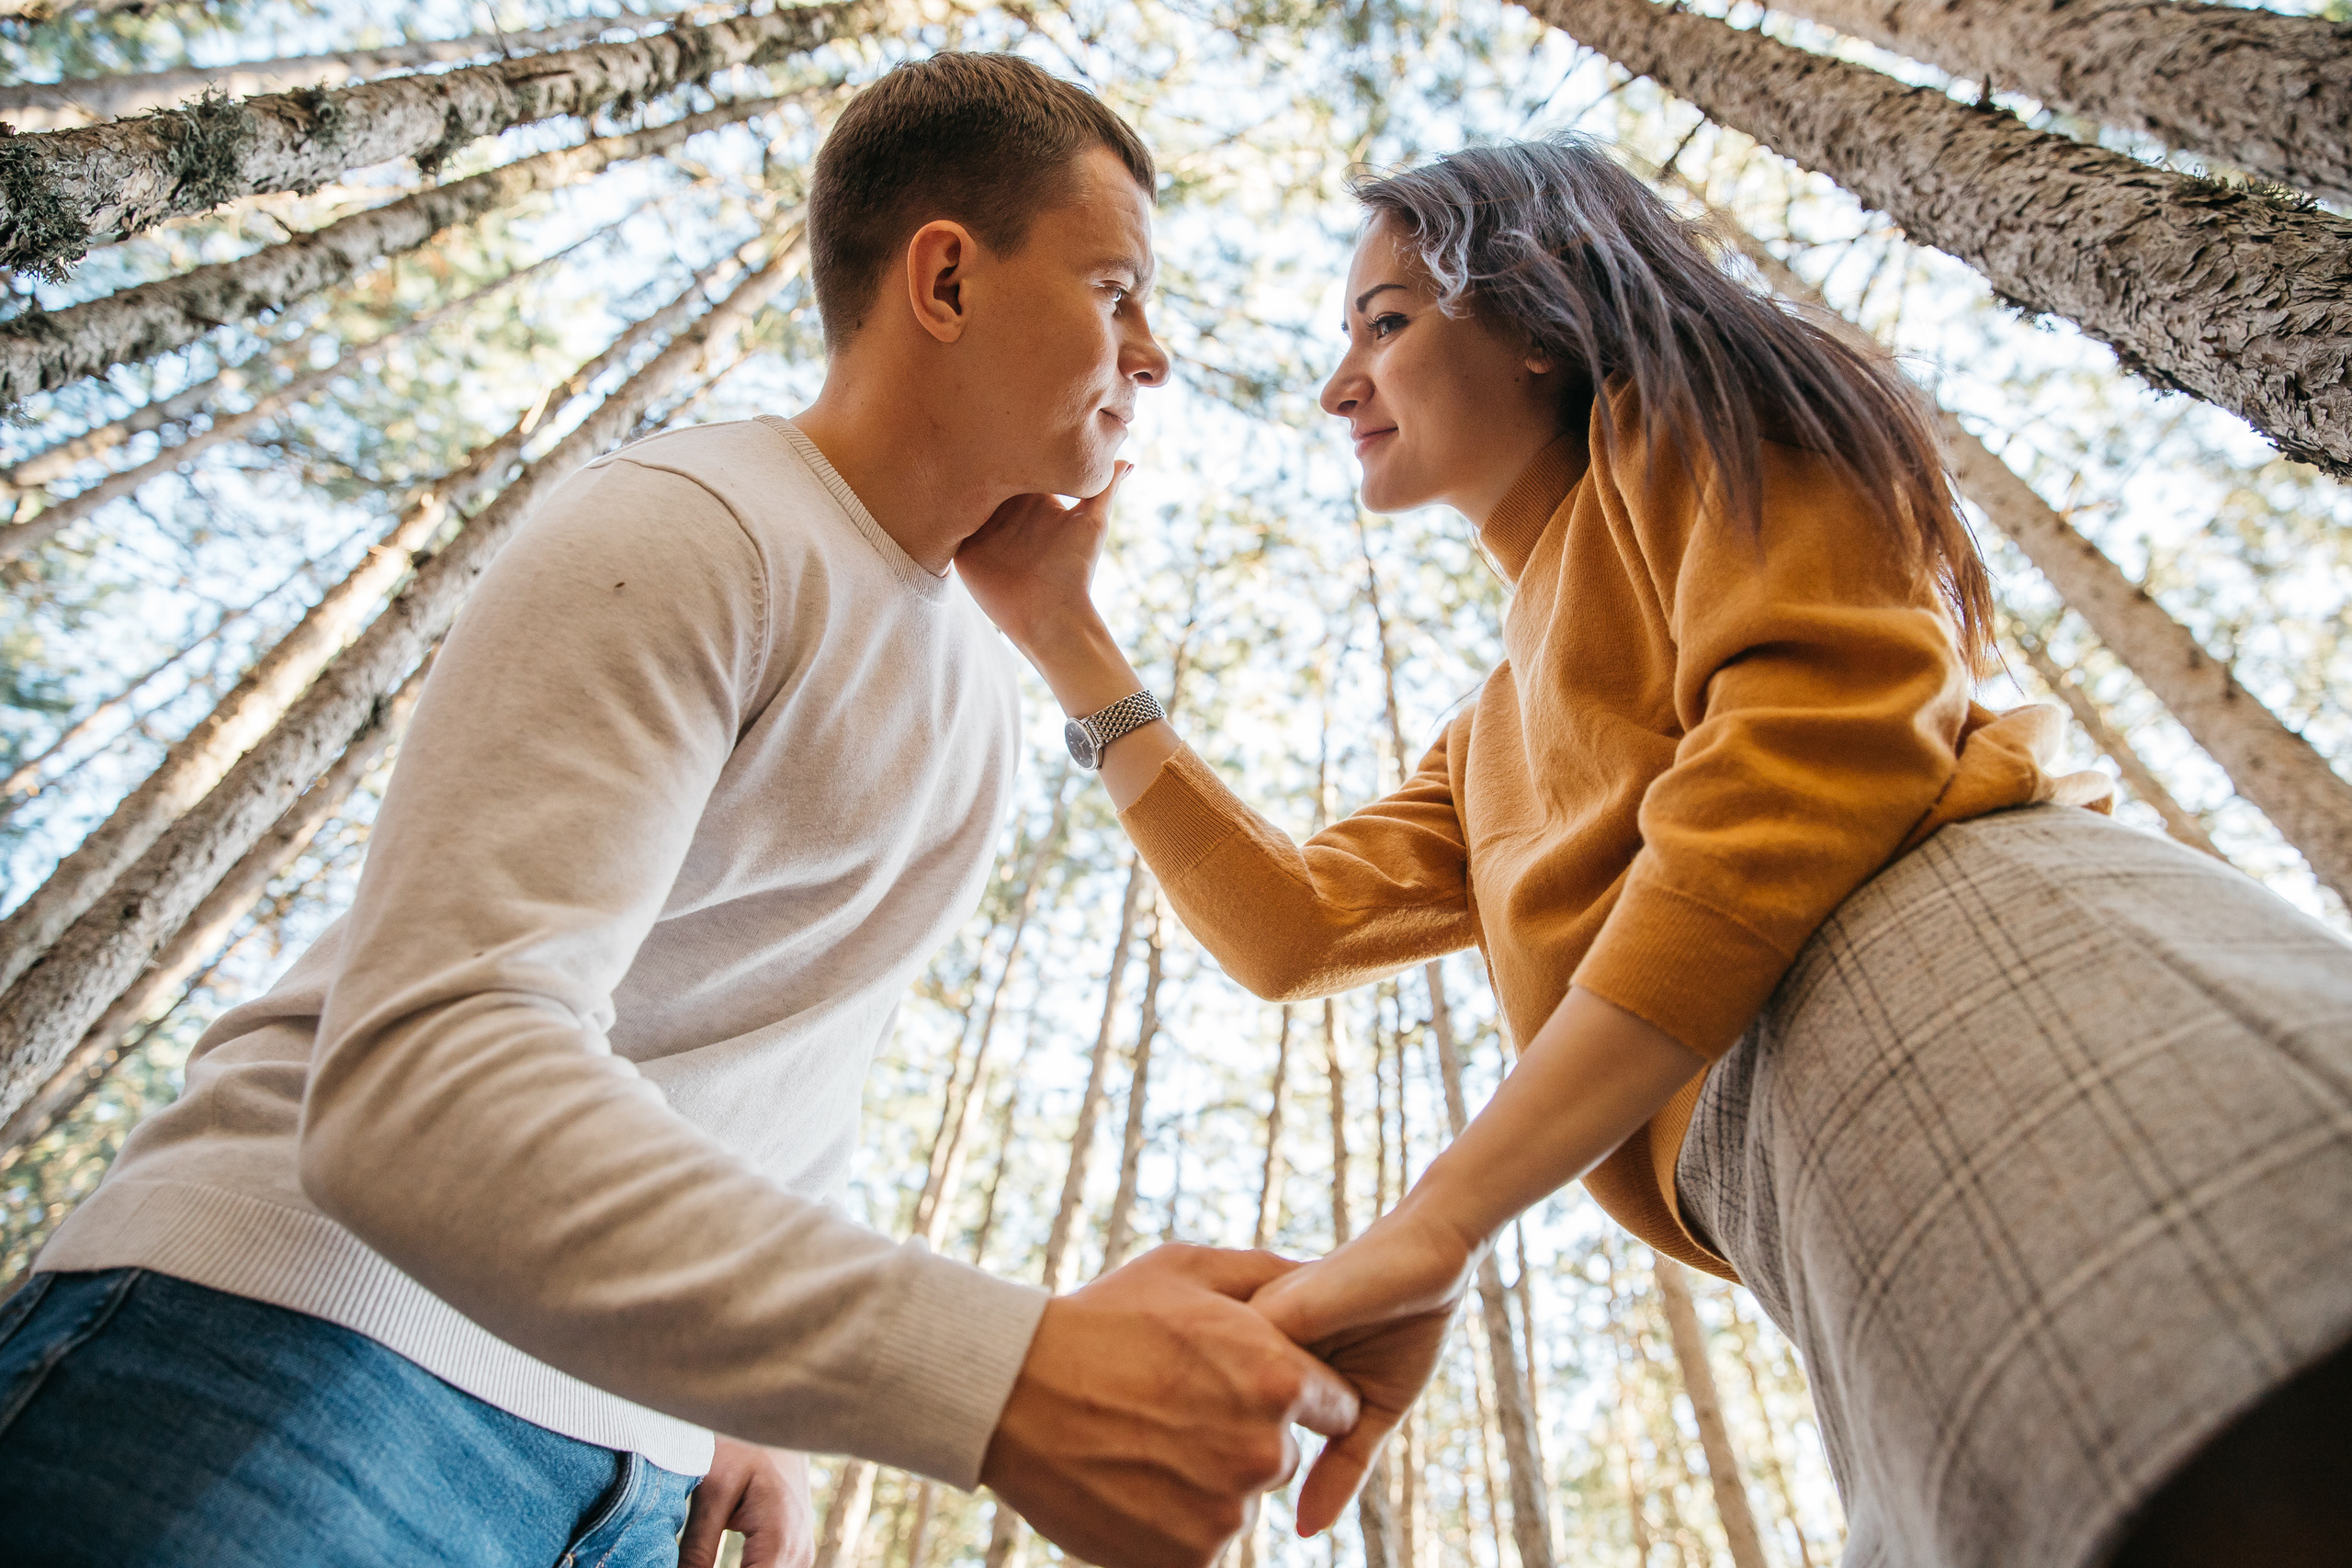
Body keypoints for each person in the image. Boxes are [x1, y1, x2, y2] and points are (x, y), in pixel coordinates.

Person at [0, 53, 1356, 1568]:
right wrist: (995, 1369)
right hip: (298, 1349)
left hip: (630, 1488)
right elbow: (418, 1085)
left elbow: (763, 1070)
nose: (1154, 352)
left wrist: (741, 1417)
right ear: (949, 280)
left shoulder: (979, 687)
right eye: (1118, 290)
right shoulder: (702, 521)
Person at [956, 137, 2352, 1567]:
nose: (1340, 384)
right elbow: (1291, 931)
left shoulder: (1681, 423)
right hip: (1811, 1203)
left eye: (1388, 322)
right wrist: (1065, 635)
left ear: (1537, 320)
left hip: (1989, 998)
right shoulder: (1490, 738)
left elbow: (1801, 754)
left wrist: (1444, 1217)